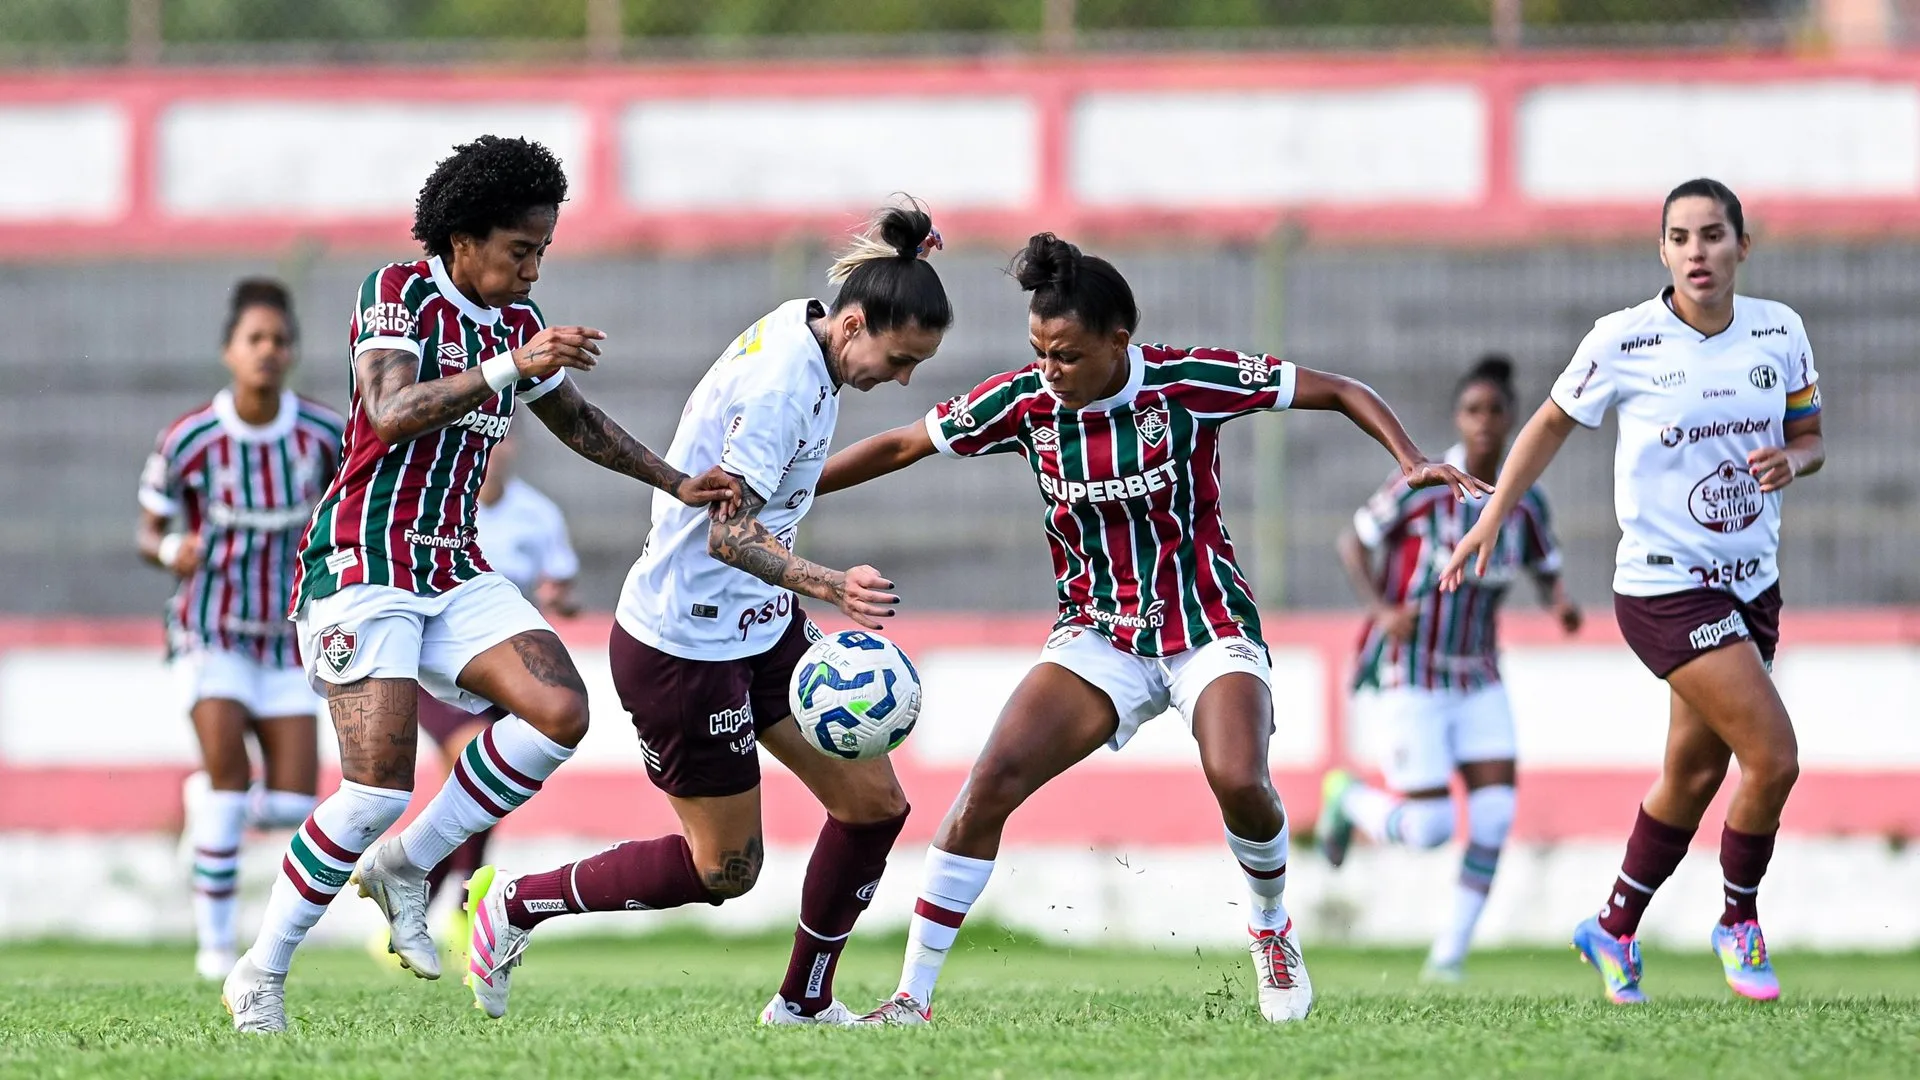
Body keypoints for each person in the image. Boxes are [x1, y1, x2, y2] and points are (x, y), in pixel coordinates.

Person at [816, 232, 1488, 1025]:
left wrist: (1408, 456)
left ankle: (1271, 926)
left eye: (1065, 354)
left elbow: (1338, 389)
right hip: (1098, 635)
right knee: (989, 783)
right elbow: (902, 443)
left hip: (1208, 624)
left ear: (1116, 342)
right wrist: (788, 492)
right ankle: (910, 999)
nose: (1049, 370)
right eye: (1037, 351)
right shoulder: (1025, 403)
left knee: (1240, 779)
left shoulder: (1186, 382)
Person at [221, 135, 736, 1033]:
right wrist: (514, 367)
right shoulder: (399, 293)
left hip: (452, 565)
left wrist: (674, 481)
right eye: (520, 250)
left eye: (543, 251)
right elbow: (390, 409)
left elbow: (578, 424)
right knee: (374, 788)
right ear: (463, 239)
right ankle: (261, 971)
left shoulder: (511, 327)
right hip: (363, 564)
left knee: (560, 712)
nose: (534, 269)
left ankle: (409, 864)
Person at [462, 202, 950, 1026]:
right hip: (683, 645)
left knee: (875, 806)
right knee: (725, 869)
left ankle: (802, 1005)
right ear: (857, 321)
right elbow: (728, 538)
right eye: (898, 360)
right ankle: (515, 904)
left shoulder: (813, 332)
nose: (899, 380)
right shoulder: (783, 388)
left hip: (758, 626)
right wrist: (831, 585)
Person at [1440, 178, 1823, 1004]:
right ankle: (1740, 920)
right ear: (1662, 251)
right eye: (1680, 238)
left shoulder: (1779, 331)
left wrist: (1796, 460)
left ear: (1742, 247)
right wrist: (1491, 519)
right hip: (1664, 591)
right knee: (1775, 758)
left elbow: (1811, 434)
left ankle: (1611, 929)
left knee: (1691, 774)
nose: (1698, 253)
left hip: (1752, 586)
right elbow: (1545, 424)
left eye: (1714, 236)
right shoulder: (1624, 341)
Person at [1317, 353, 1580, 983]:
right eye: (1472, 411)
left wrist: (1561, 604)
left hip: (1479, 675)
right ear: (1458, 418)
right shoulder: (1426, 483)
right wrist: (1381, 609)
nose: (1484, 422)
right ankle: (1348, 799)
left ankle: (1449, 958)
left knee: (1492, 817)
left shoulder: (1526, 501)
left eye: (1495, 411)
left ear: (1514, 418)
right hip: (1412, 669)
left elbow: (1546, 570)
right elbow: (1353, 540)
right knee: (1432, 827)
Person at [138, 279, 343, 982]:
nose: (267, 351)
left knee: (292, 803)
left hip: (285, 639)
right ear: (230, 350)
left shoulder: (320, 434)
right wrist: (171, 550)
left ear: (291, 352)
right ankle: (215, 949)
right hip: (211, 629)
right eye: (254, 339)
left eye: (279, 340)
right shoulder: (191, 438)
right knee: (229, 780)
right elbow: (150, 523)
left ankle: (208, 810)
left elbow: (348, 507)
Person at [409, 432, 582, 952]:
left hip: (503, 671)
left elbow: (559, 584)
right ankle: (436, 902)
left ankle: (427, 902)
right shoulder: (438, 506)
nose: (495, 452)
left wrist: (559, 600)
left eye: (504, 443)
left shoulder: (538, 514)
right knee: (470, 767)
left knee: (481, 794)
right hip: (438, 667)